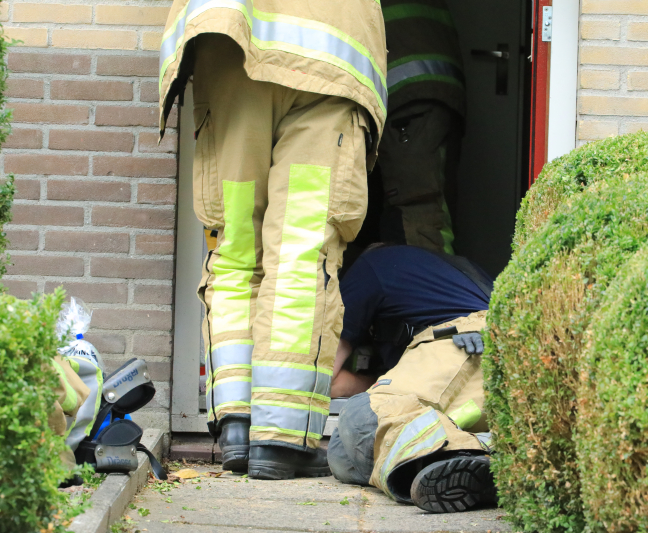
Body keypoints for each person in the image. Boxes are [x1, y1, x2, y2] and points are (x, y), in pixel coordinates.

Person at [157, 1, 388, 478]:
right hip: (328, 57)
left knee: (237, 247)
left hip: (230, 45)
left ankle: (237, 427)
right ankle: (279, 440)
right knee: (299, 252)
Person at [327, 245, 497, 513]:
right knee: (342, 454)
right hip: (486, 360)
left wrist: (376, 386)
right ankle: (489, 460)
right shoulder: (451, 270)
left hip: (463, 340)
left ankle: (472, 461)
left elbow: (327, 378)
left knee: (366, 414)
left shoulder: (372, 265)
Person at [378, 0, 465, 254]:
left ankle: (427, 278)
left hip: (408, 93)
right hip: (431, 86)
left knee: (418, 215)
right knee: (433, 209)